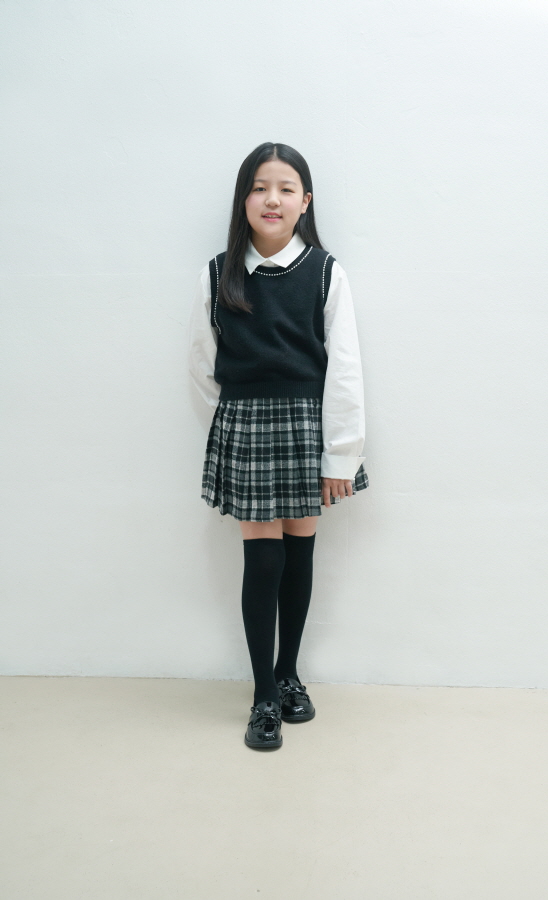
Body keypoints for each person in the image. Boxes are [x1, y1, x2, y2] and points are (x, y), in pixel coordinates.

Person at [188, 142, 369, 750]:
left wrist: (341, 453)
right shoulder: (219, 272)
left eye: (286, 188)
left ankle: (289, 673)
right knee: (262, 560)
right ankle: (263, 693)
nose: (273, 199)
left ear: (305, 201)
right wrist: (230, 431)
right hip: (247, 425)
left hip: (308, 426)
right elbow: (201, 365)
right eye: (260, 187)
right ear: (244, 199)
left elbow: (345, 368)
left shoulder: (325, 271)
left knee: (299, 553)